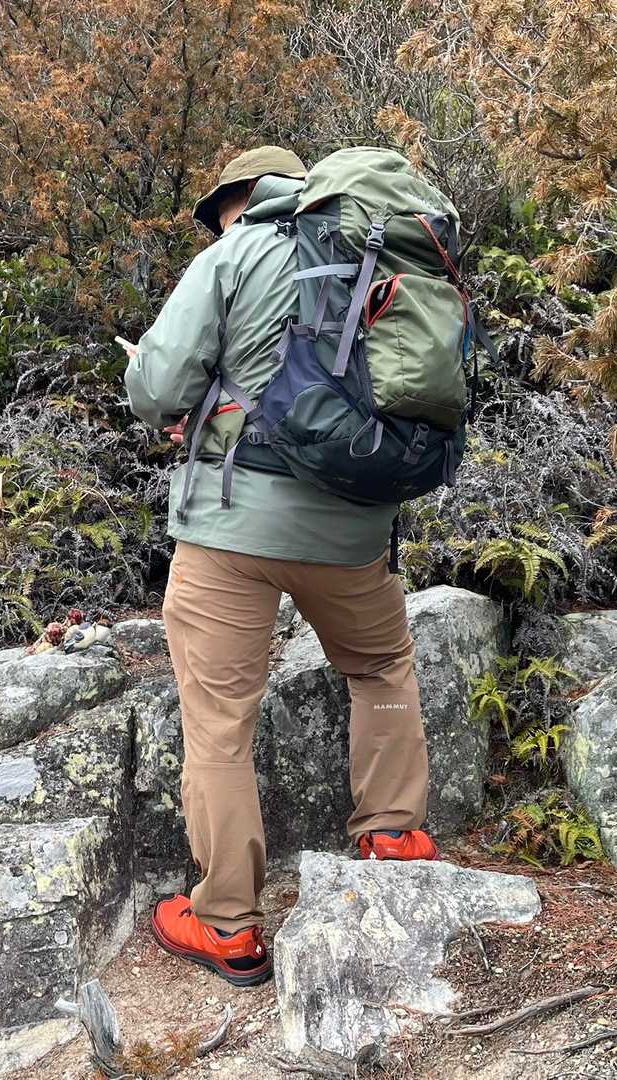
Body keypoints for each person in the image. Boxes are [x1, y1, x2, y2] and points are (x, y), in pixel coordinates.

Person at [122, 146, 440, 988]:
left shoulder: (234, 254)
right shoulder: (379, 250)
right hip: (355, 527)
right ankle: (393, 836)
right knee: (379, 667)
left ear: (237, 199)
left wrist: (191, 403)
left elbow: (156, 389)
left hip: (232, 529)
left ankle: (226, 923)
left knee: (219, 720)